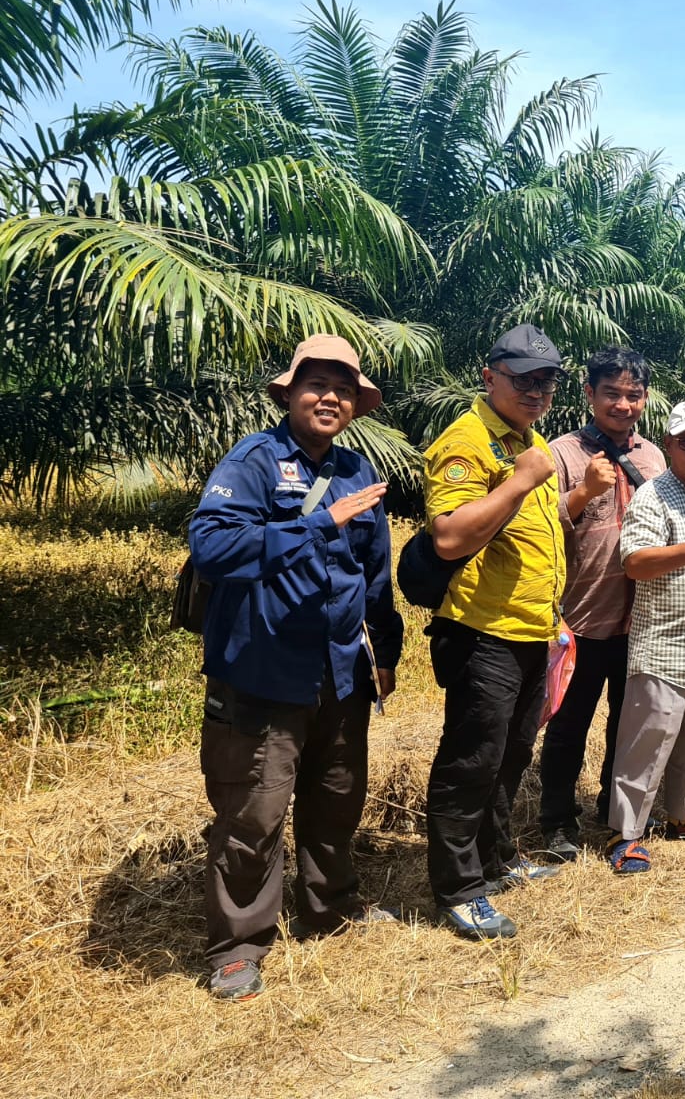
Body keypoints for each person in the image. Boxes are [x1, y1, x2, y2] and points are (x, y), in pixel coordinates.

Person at [189, 334, 403, 1002]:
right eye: (317, 384)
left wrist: (386, 654)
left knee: (336, 800)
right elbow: (212, 545)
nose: (330, 397)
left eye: (343, 388)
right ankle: (238, 946)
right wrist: (315, 526)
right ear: (290, 393)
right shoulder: (254, 460)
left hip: (339, 671)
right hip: (262, 671)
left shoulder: (357, 472)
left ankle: (328, 910)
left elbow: (374, 577)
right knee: (252, 812)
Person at [420, 324, 567, 941]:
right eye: (523, 379)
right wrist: (521, 478)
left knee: (512, 753)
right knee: (471, 758)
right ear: (490, 377)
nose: (536, 391)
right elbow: (449, 536)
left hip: (532, 628)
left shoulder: (529, 444)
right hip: (482, 631)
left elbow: (541, 532)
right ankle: (459, 887)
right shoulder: (469, 442)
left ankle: (498, 858)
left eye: (546, 381)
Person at [538, 348, 666, 861]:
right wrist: (583, 491)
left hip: (643, 620)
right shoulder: (560, 453)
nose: (622, 404)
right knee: (568, 726)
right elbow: (540, 526)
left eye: (633, 394)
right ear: (589, 394)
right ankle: (556, 821)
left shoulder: (654, 457)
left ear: (645, 399)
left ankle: (615, 811)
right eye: (611, 393)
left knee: (628, 723)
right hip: (580, 616)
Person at [605, 401, 685, 874]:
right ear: (669, 446)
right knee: (648, 742)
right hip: (664, 646)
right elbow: (635, 562)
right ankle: (626, 834)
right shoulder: (653, 496)